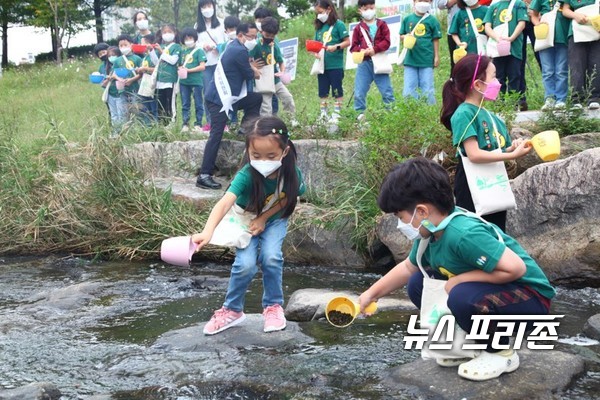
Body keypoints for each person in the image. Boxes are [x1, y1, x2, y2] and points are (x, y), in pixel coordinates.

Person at [358, 156, 555, 381]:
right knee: (418, 283)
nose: (401, 224)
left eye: (400, 217)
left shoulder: (463, 233)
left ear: (421, 211)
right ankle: (465, 345)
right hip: (499, 291)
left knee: (462, 296)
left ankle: (501, 353)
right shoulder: (430, 234)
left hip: (530, 298)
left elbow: (515, 269)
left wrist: (461, 280)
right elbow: (408, 268)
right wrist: (372, 293)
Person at [192, 116, 306, 335]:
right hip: (244, 219)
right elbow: (225, 202)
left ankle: (273, 307)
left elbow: (287, 197)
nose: (263, 160)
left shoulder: (292, 174)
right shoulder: (246, 175)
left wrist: (264, 218)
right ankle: (232, 310)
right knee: (244, 264)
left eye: (271, 156)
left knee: (271, 257)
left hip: (275, 219)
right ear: (248, 152)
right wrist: (208, 231)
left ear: (285, 151)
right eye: (256, 155)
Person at [440, 54, 532, 231]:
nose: (498, 82)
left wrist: (511, 148)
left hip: (494, 181)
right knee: (477, 235)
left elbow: (492, 150)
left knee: (497, 232)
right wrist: (512, 155)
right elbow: (473, 154)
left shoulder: (490, 116)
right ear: (477, 84)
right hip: (472, 184)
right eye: (493, 76)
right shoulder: (464, 114)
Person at [196, 23, 263, 190]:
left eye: (256, 37)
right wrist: (254, 70)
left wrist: (250, 67)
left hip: (230, 97)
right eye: (251, 37)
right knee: (216, 135)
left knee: (255, 99)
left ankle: (244, 129)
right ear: (240, 35)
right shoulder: (239, 50)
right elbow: (249, 75)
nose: (254, 40)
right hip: (219, 99)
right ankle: (204, 175)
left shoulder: (234, 45)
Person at [350, 0, 396, 119]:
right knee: (359, 92)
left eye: (371, 8)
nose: (369, 11)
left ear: (375, 7)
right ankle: (359, 115)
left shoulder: (382, 24)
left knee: (386, 91)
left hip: (379, 62)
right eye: (365, 9)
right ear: (360, 10)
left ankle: (391, 115)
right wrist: (362, 51)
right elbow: (353, 47)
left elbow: (387, 42)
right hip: (364, 63)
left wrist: (375, 49)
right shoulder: (358, 28)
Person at [250, 17, 296, 117]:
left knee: (288, 97)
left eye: (272, 36)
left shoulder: (274, 45)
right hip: (262, 80)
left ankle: (291, 119)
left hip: (275, 80)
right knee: (266, 107)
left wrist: (282, 72)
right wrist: (253, 66)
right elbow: (247, 59)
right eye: (267, 35)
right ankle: (265, 127)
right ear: (261, 31)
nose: (270, 38)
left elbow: (280, 61)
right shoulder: (256, 45)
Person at [312, 0, 350, 122]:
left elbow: (347, 41)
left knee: (336, 89)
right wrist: (315, 52)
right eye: (317, 13)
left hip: (335, 65)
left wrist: (337, 46)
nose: (319, 15)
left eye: (320, 12)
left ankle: (337, 112)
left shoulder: (339, 25)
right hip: (322, 65)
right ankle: (323, 113)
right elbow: (315, 45)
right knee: (323, 91)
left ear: (329, 9)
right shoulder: (319, 27)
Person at [483, 0, 529, 99]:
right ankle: (500, 101)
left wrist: (511, 38)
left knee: (515, 75)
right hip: (497, 48)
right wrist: (496, 37)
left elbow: (522, 23)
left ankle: (514, 101)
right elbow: (487, 26)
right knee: (499, 76)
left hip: (514, 48)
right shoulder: (494, 6)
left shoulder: (519, 4)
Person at [529, 0, 570, 110]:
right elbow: (533, 14)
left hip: (563, 36)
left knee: (561, 70)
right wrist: (538, 24)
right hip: (545, 37)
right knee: (547, 70)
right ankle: (550, 98)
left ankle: (561, 99)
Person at [399, 0, 442, 104]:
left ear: (431, 2)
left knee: (427, 87)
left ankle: (428, 110)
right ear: (414, 1)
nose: (423, 2)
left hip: (426, 59)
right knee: (409, 87)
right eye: (420, 0)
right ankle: (411, 110)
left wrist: (436, 56)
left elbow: (435, 39)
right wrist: (405, 37)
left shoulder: (433, 20)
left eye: (426, 0)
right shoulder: (407, 19)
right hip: (410, 59)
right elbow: (401, 35)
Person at [562, 0, 600, 109]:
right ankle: (576, 99)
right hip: (577, 31)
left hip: (596, 29)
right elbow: (565, 10)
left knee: (596, 63)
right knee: (576, 65)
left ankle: (594, 97)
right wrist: (575, 15)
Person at [196, 0, 227, 132]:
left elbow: (227, 42)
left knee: (221, 92)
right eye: (204, 7)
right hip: (206, 63)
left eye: (209, 6)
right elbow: (195, 43)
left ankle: (223, 122)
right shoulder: (198, 25)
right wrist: (203, 46)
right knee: (208, 93)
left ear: (213, 7)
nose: (207, 9)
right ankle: (209, 121)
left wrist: (216, 46)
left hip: (219, 62)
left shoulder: (221, 23)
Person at [179, 27, 207, 134]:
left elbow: (202, 66)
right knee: (185, 104)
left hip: (196, 81)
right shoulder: (183, 51)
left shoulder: (199, 51)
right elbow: (181, 64)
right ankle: (185, 124)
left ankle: (198, 124)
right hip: (184, 82)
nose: (188, 40)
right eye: (186, 39)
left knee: (198, 103)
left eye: (190, 38)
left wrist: (189, 70)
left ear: (195, 38)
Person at [253, 6, 280, 115]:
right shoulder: (254, 36)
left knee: (274, 97)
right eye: (258, 20)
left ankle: (274, 115)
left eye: (263, 20)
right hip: (260, 74)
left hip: (272, 73)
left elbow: (278, 55)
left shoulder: (274, 38)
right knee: (264, 98)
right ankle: (264, 118)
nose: (260, 22)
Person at [154, 24, 181, 125]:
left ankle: (171, 124)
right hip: (160, 80)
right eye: (164, 32)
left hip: (170, 80)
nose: (167, 34)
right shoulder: (161, 46)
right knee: (160, 104)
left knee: (170, 103)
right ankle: (162, 124)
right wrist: (152, 52)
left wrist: (161, 52)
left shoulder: (176, 47)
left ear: (175, 33)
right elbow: (157, 61)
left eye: (169, 32)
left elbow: (173, 61)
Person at [113, 34, 142, 122]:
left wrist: (131, 80)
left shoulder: (137, 59)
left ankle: (137, 128)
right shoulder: (117, 60)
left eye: (125, 45)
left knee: (136, 111)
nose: (123, 47)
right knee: (123, 113)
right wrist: (119, 79)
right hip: (122, 91)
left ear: (131, 45)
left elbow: (141, 74)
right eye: (121, 45)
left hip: (135, 89)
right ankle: (125, 130)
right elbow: (114, 74)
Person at [101, 46, 127, 137]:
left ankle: (123, 132)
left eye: (114, 55)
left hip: (120, 93)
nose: (112, 57)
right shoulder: (107, 68)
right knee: (114, 115)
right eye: (109, 56)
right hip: (111, 94)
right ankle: (116, 132)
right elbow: (103, 84)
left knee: (122, 114)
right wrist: (108, 79)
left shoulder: (121, 66)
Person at [136, 34, 159, 125]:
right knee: (144, 106)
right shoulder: (144, 57)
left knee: (153, 105)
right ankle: (147, 125)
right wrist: (139, 70)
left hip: (152, 84)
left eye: (142, 43)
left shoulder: (154, 55)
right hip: (144, 85)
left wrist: (146, 69)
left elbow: (158, 68)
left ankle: (156, 123)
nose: (141, 45)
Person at [438, 0, 461, 72]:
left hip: (471, 28)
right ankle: (454, 80)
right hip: (453, 30)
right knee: (455, 60)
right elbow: (440, 5)